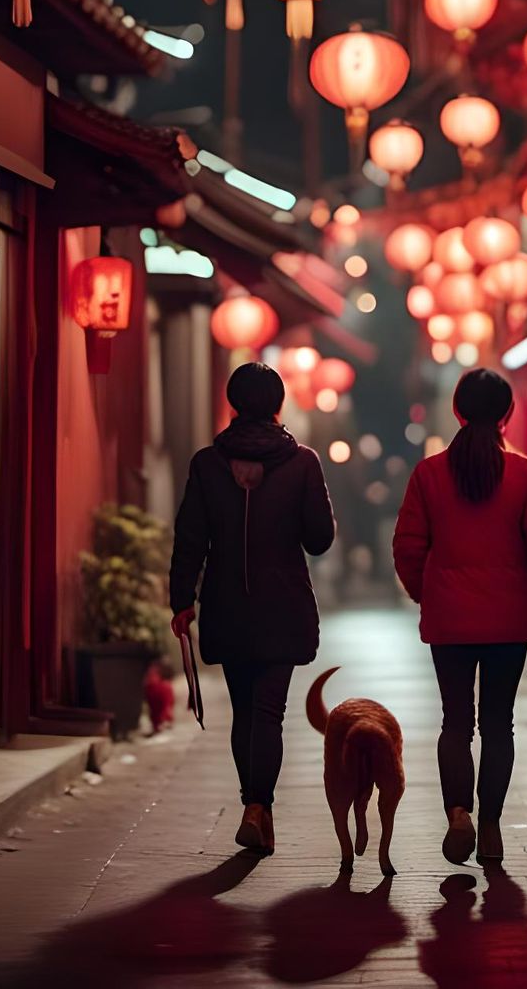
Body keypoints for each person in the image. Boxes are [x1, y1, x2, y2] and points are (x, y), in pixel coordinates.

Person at [169, 359, 336, 855]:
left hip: (226, 604)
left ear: (233, 404)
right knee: (269, 710)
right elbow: (321, 539)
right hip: (283, 606)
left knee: (245, 711)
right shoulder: (302, 462)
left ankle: (254, 805)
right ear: (279, 406)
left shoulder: (206, 463)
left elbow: (190, 537)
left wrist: (182, 599)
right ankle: (258, 807)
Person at [393, 368, 527, 866]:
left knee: (456, 723)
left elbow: (407, 548)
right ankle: (489, 827)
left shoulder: (430, 474)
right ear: (507, 414)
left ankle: (458, 812)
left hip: (452, 621)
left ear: (458, 411)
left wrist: (430, 593)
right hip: (509, 621)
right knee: (499, 725)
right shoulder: (524, 474)